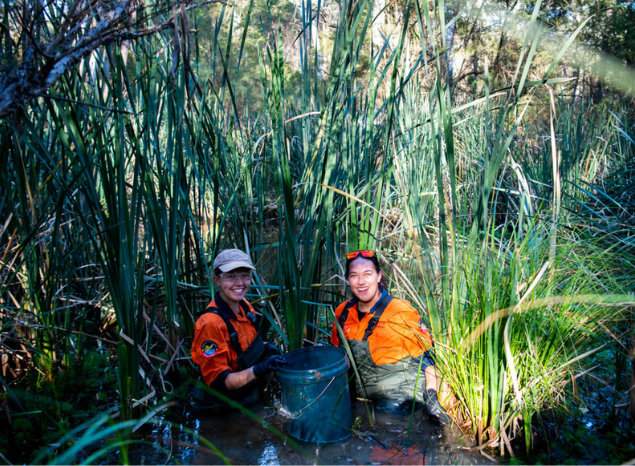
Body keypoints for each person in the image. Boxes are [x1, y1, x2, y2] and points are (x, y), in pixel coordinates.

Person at [330, 249, 451, 425]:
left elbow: (428, 360)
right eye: (354, 275)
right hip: (361, 395)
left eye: (368, 274)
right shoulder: (342, 313)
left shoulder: (401, 312)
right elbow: (334, 358)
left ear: (379, 276)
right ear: (348, 279)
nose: (361, 281)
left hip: (400, 395)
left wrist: (432, 397)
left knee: (385, 426)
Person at [190, 249, 286, 410]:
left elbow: (240, 346)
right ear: (217, 280)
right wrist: (258, 369)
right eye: (231, 276)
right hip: (221, 409)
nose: (240, 283)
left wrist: (264, 349)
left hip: (248, 396)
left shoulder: (245, 307)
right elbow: (219, 382)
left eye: (245, 275)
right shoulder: (210, 324)